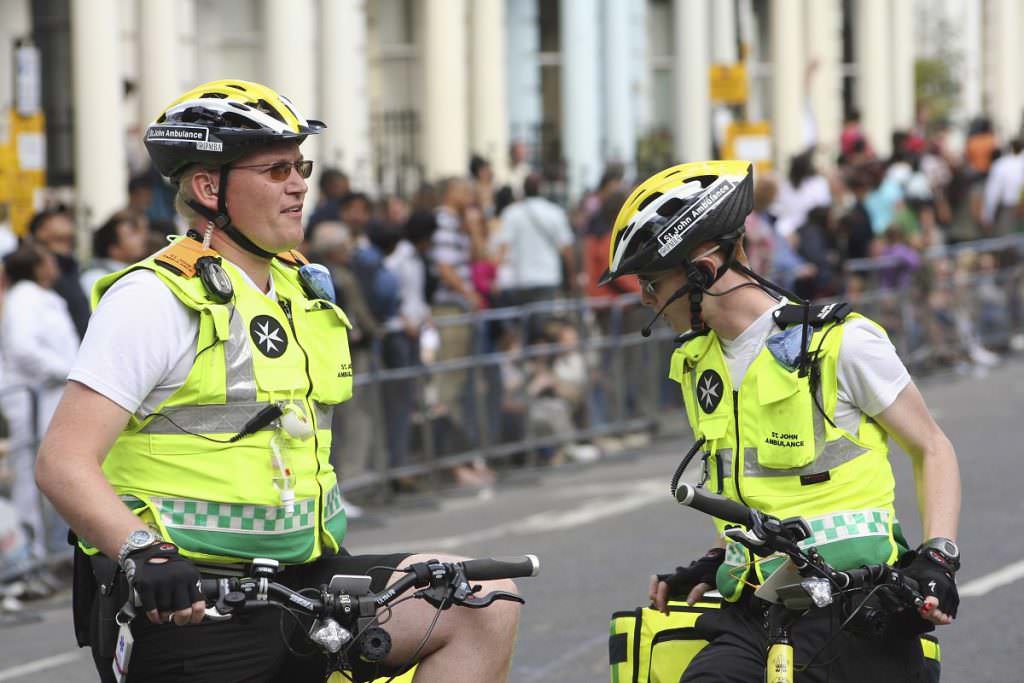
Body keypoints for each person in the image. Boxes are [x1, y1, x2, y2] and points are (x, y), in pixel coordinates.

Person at [34, 79, 520, 683]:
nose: (299, 184)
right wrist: (143, 553)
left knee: (481, 600)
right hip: (194, 606)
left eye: (301, 165)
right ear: (211, 188)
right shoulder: (153, 299)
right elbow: (62, 461)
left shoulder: (297, 286)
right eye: (275, 170)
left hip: (305, 583)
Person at [599, 161, 961, 681]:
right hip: (756, 614)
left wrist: (938, 558)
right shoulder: (699, 363)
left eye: (653, 282)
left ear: (702, 271)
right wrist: (719, 558)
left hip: (856, 609)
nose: (646, 300)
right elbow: (755, 489)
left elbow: (932, 446)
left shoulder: (840, 343)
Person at [1, 242, 79, 561]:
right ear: (35, 266)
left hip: (53, 396)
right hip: (35, 396)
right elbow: (23, 349)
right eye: (47, 259)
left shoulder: (45, 298)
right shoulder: (23, 299)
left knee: (54, 472)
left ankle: (48, 550)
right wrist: (64, 371)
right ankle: (29, 555)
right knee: (30, 475)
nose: (54, 264)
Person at [80, 213, 150, 295]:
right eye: (131, 235)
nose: (142, 238)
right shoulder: (95, 278)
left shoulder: (136, 270)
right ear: (113, 249)